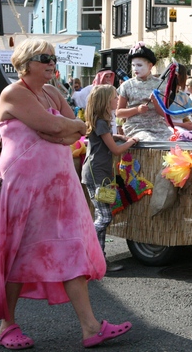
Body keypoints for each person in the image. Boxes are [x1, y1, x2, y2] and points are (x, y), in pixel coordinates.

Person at [0, 39, 132, 349]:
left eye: (53, 58)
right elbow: (54, 126)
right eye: (44, 58)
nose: (52, 62)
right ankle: (6, 325)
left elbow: (78, 129)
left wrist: (65, 127)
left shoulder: (52, 92)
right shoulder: (13, 93)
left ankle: (90, 327)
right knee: (18, 254)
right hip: (24, 189)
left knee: (70, 251)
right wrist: (62, 127)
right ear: (25, 63)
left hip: (60, 189)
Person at [81, 85, 139, 273]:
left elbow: (104, 137)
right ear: (106, 102)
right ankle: (88, 251)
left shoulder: (101, 122)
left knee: (103, 214)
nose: (117, 100)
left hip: (99, 173)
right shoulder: (101, 122)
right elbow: (115, 150)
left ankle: (98, 258)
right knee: (104, 216)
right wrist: (131, 141)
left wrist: (118, 135)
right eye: (114, 97)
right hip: (96, 174)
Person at [116, 43, 172, 142]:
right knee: (150, 140)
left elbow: (165, 114)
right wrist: (137, 110)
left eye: (139, 65)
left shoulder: (162, 85)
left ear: (150, 66)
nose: (135, 69)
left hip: (159, 127)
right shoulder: (126, 85)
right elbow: (119, 113)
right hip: (136, 127)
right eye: (133, 65)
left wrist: (156, 102)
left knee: (174, 141)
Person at [169, 64, 192, 131]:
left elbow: (186, 117)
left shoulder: (183, 96)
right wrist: (183, 125)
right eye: (185, 75)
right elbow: (162, 121)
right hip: (170, 129)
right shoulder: (164, 95)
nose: (186, 77)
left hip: (182, 127)